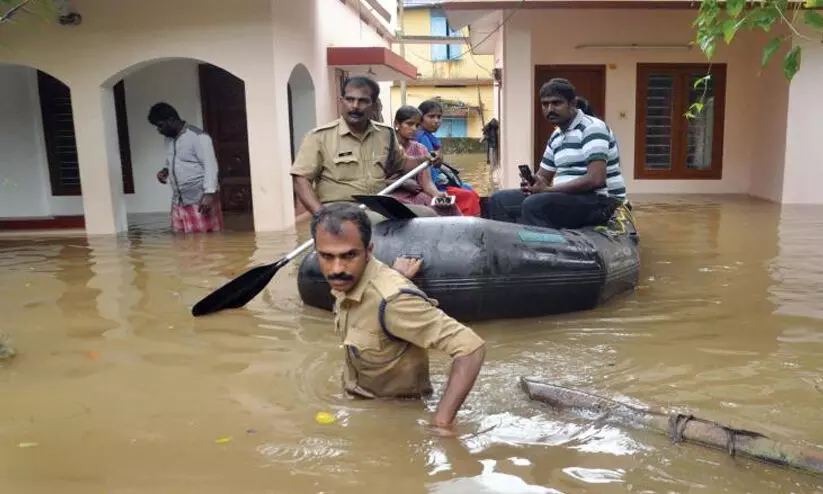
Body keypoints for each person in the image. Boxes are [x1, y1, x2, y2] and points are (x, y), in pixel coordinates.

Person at [311, 203, 486, 432]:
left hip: (394, 419)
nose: (336, 268)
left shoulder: (392, 301)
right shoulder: (347, 284)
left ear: (369, 251)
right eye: (326, 256)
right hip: (359, 407)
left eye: (349, 255)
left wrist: (441, 424)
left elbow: (471, 348)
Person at [290, 76, 438, 220]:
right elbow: (300, 179)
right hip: (340, 209)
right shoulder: (319, 137)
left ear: (374, 105)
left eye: (363, 101)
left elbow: (403, 164)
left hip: (379, 205)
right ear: (341, 101)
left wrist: (427, 159)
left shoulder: (385, 134)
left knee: (430, 215)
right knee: (380, 221)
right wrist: (321, 216)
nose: (355, 106)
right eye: (349, 99)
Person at [487, 78, 627, 229]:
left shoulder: (592, 128)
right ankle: (511, 247)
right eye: (545, 104)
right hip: (568, 197)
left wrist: (547, 190)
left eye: (556, 103)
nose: (549, 109)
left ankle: (544, 250)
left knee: (535, 204)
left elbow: (596, 179)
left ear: (572, 104)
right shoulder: (557, 136)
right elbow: (544, 176)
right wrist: (533, 182)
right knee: (498, 200)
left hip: (601, 200)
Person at [148, 102, 223, 234]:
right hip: (179, 200)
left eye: (160, 125)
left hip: (200, 200)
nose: (158, 130)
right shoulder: (169, 139)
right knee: (181, 243)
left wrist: (209, 194)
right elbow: (173, 159)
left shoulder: (198, 137)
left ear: (171, 120)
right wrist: (165, 170)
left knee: (205, 244)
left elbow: (210, 165)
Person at [391, 106, 461, 216]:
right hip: (390, 197)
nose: (414, 128)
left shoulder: (420, 148)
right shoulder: (386, 147)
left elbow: (426, 182)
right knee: (424, 213)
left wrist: (437, 194)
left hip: (415, 195)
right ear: (397, 124)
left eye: (417, 125)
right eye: (409, 124)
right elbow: (376, 182)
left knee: (448, 208)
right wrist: (402, 184)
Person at [415, 100, 482, 217]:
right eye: (431, 116)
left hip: (437, 183)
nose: (436, 121)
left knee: (469, 190)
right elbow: (427, 175)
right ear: (421, 118)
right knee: (469, 196)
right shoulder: (422, 139)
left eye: (439, 117)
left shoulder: (429, 138)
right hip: (432, 187)